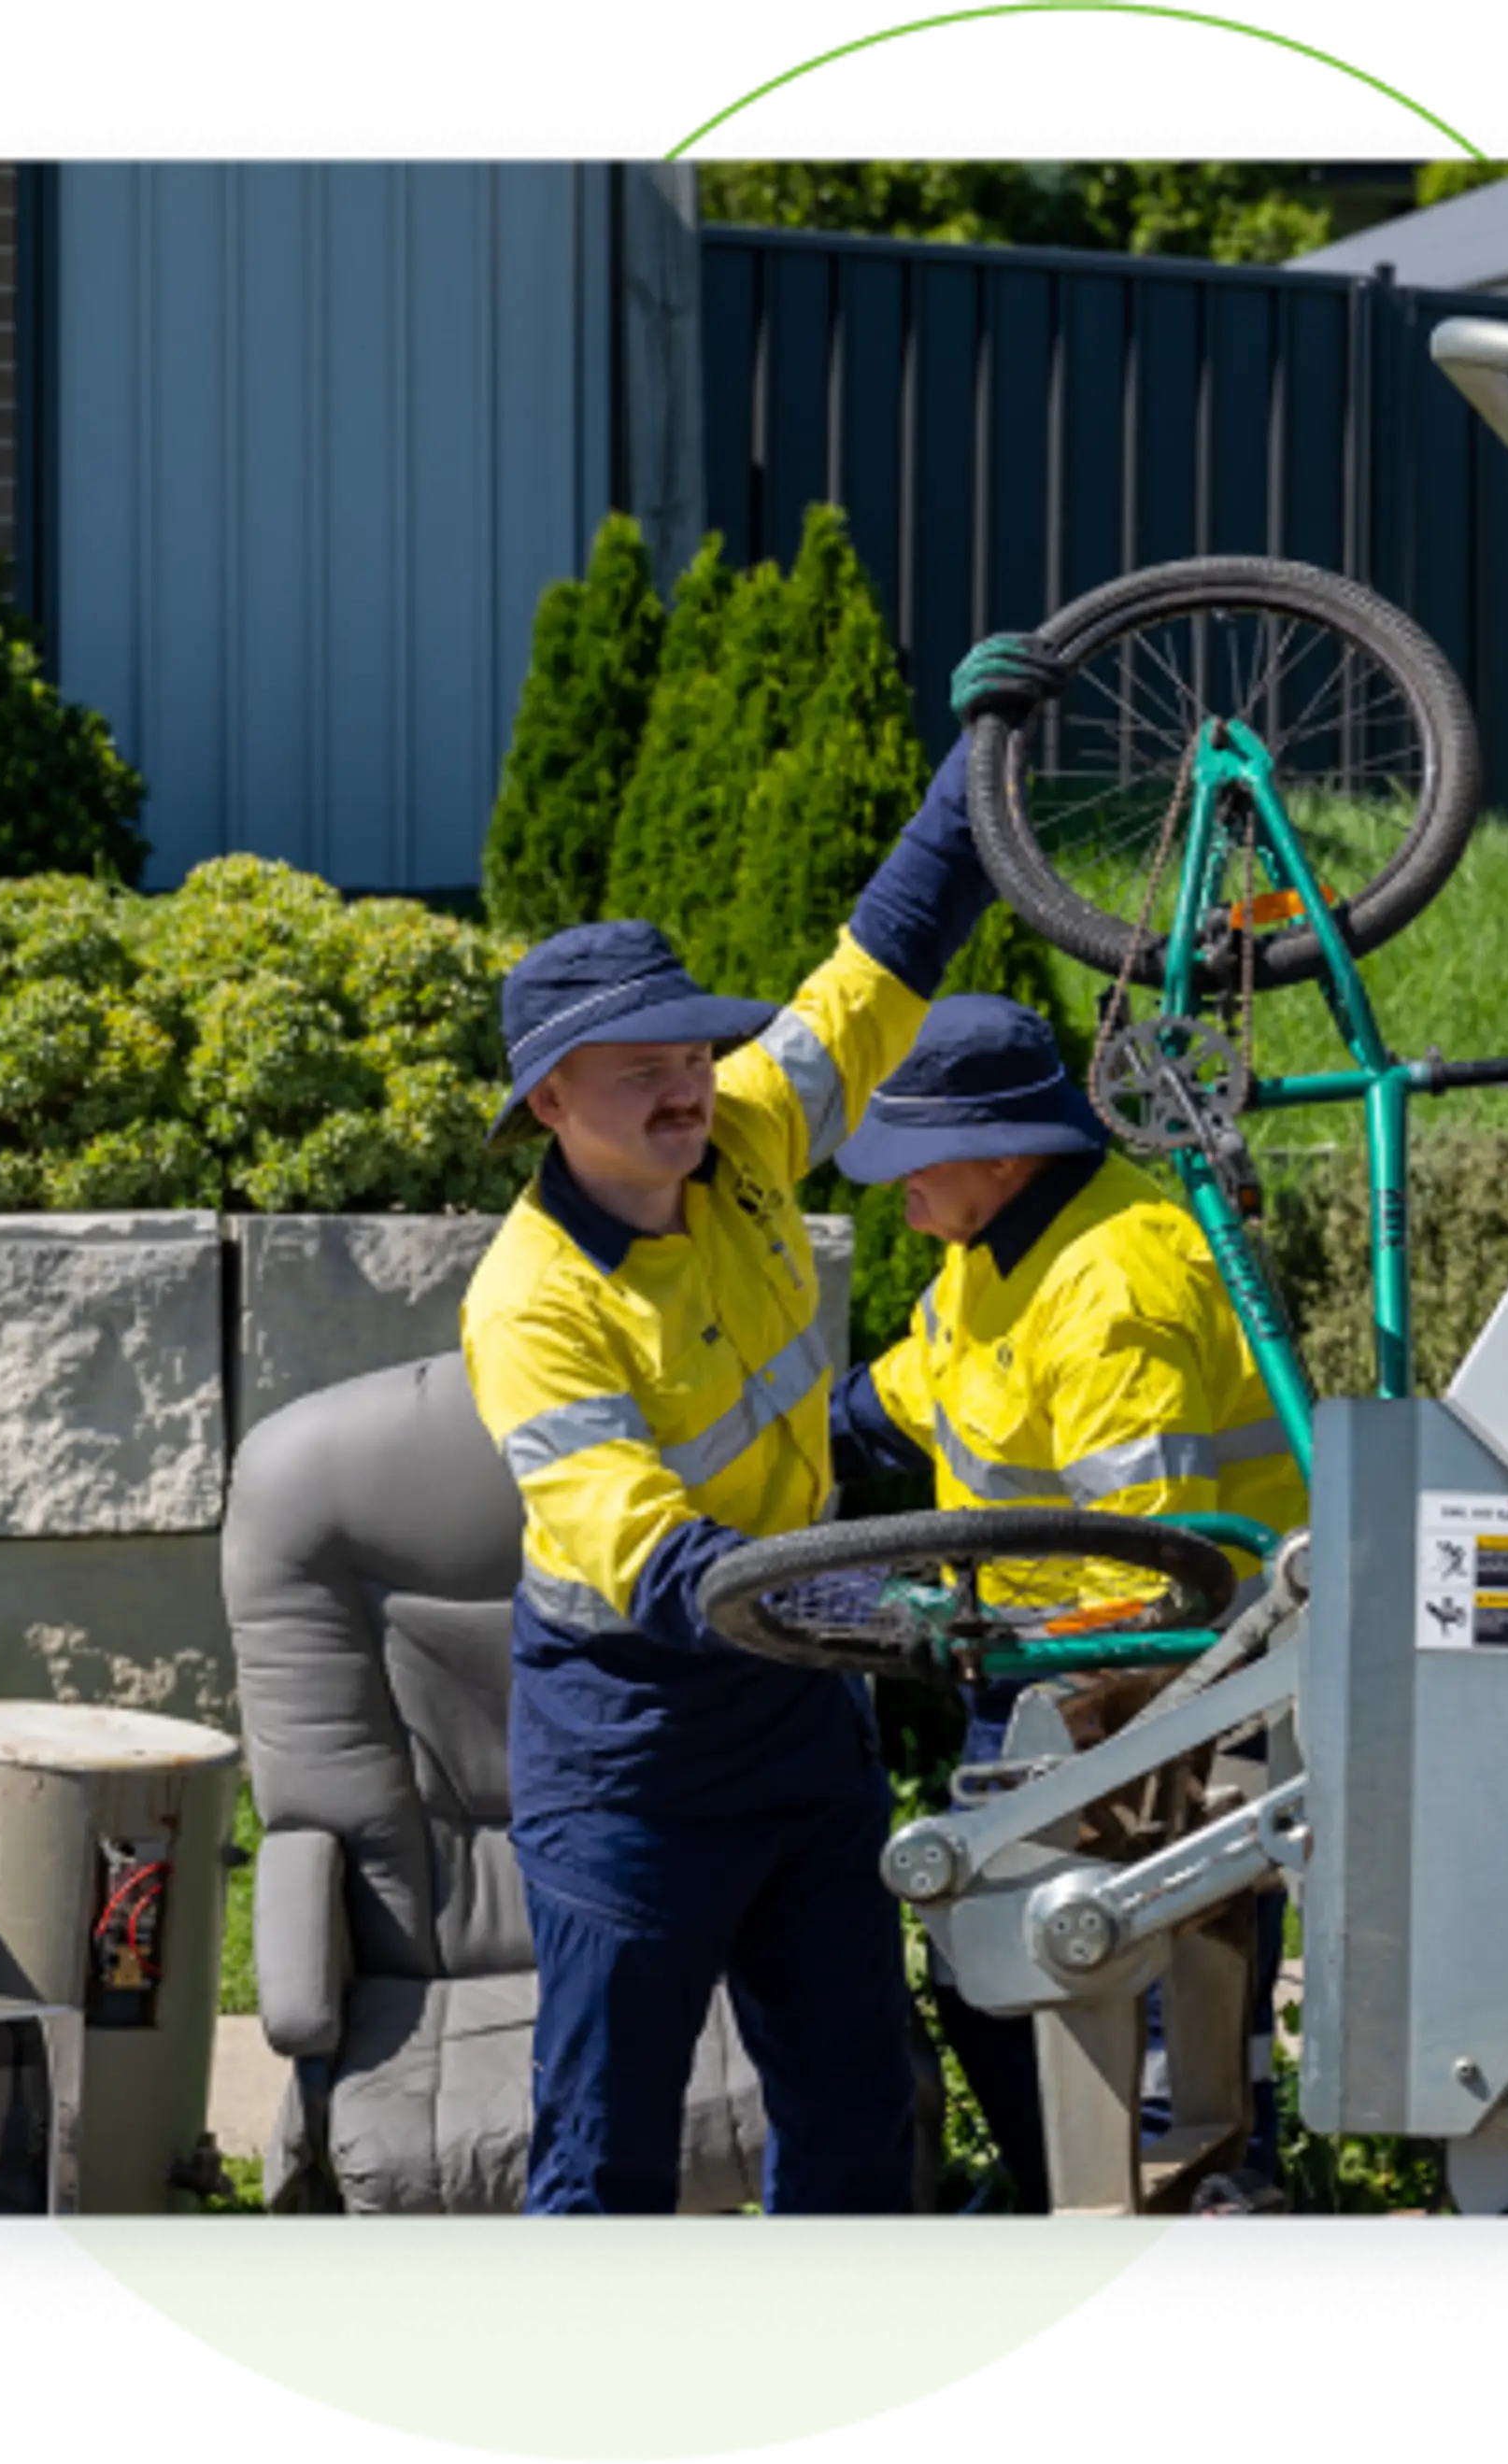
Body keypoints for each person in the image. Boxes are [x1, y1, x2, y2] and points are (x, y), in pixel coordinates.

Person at [457, 692, 1032, 2220]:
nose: (683, 1082)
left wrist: (979, 772)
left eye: (691, 1047)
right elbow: (653, 1560)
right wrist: (880, 1617)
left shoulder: (744, 1138)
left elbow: (875, 975)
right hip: (634, 1757)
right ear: (548, 1106)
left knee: (859, 2121)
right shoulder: (529, 1303)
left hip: (796, 1730)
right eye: (633, 1065)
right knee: (606, 2159)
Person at [826, 992, 1309, 2219]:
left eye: (910, 1157)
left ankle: (1171, 2214)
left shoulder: (1109, 1289)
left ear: (1003, 1150)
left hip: (1160, 1713)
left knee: (1139, 2014)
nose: (892, 1187)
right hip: (1036, 1681)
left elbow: (1159, 1582)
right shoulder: (986, 1246)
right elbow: (909, 1395)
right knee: (992, 1974)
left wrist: (979, 1638)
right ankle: (1065, 2201)